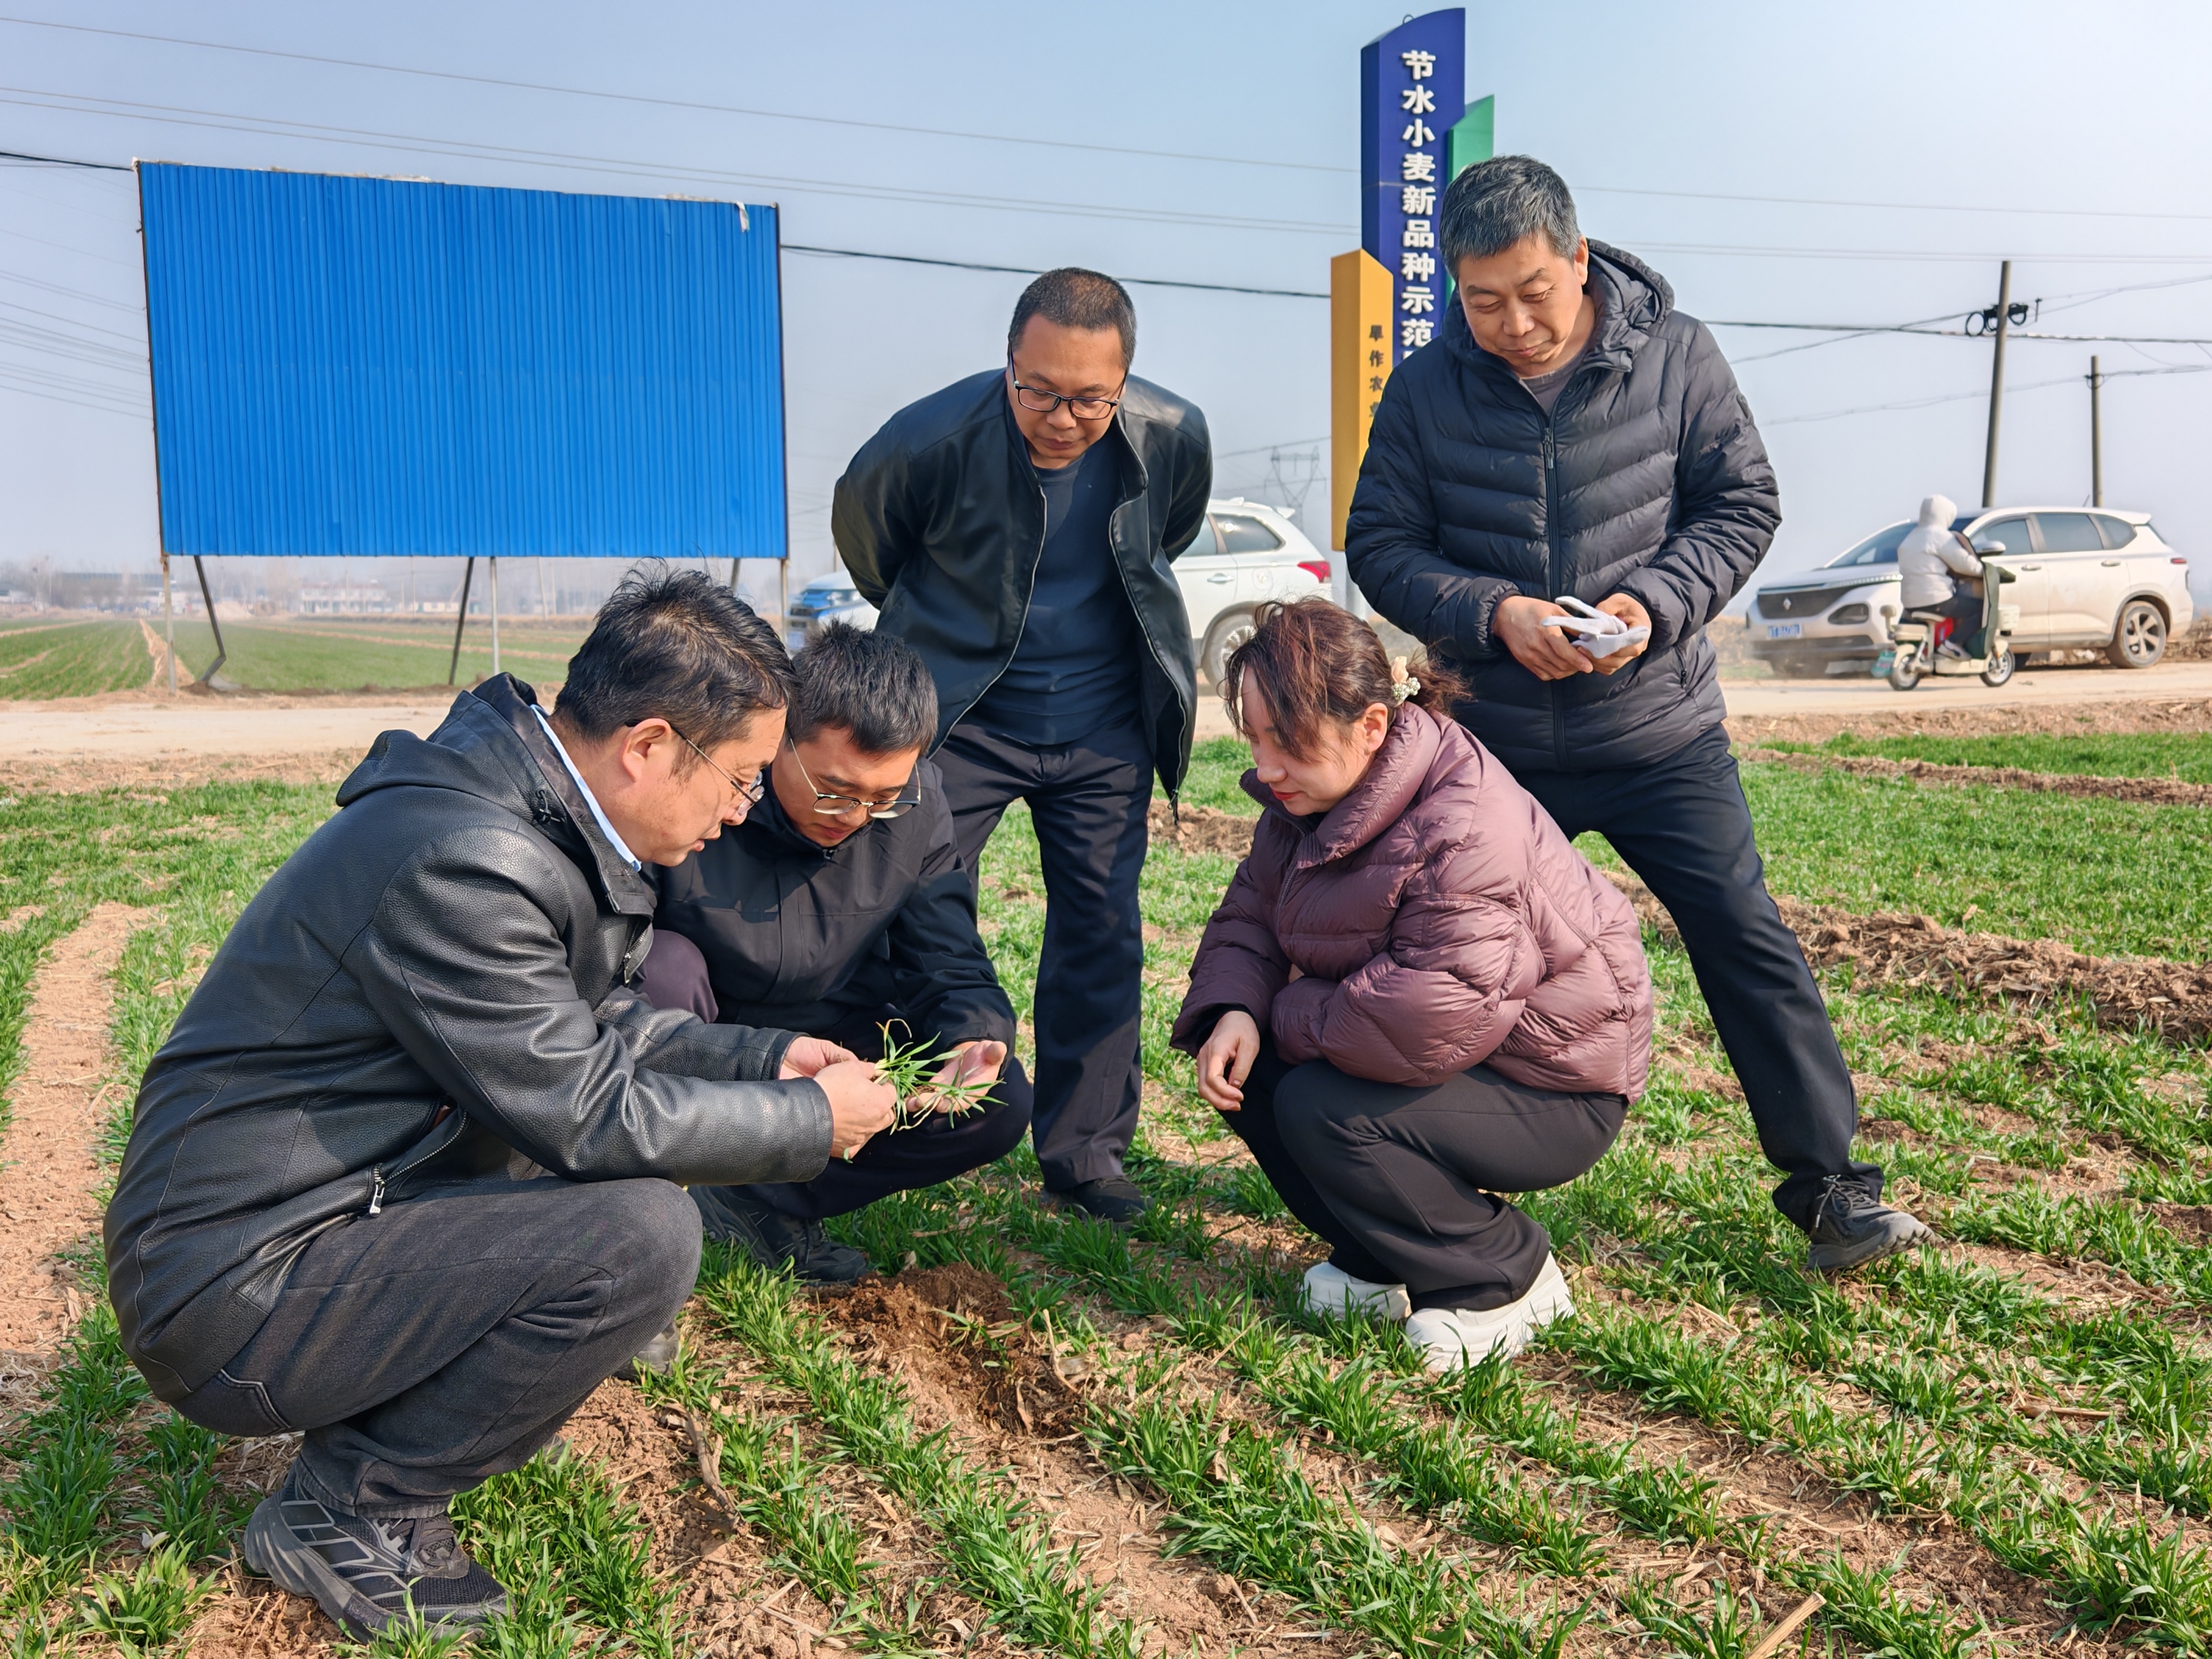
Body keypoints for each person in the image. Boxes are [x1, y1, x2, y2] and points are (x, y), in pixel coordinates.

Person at [104, 571, 896, 1641]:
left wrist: (766, 1061)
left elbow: (592, 1025)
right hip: (230, 1291)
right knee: (641, 1232)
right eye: (740, 776)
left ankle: (412, 1418)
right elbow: (585, 1109)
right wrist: (809, 1123)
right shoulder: (464, 858)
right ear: (649, 745)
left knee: (602, 1193)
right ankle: (352, 1508)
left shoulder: (525, 819)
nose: (741, 808)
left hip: (313, 1222)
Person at [1345, 154, 1932, 1273]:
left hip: (1658, 731)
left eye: (1533, 293)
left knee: (1742, 935)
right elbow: (1379, 542)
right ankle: (1407, 1185)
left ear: (1578, 260)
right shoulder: (1426, 389)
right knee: (1443, 953)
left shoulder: (1677, 355)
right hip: (1497, 744)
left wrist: (1652, 606)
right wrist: (1491, 612)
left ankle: (1830, 1189)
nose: (1513, 325)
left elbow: (1741, 502)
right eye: (1483, 302)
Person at [1171, 599, 1651, 1371]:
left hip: (1554, 1087)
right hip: (1453, 1056)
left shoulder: (1464, 821)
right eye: (1254, 739)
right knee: (1247, 1070)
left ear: (1370, 725)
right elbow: (1249, 913)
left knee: (1321, 1105)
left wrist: (1278, 1007)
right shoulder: (1306, 799)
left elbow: (1429, 1017)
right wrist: (1236, 1007)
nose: (1265, 768)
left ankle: (1501, 1272)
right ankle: (1381, 1257)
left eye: (1287, 742)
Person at [833, 267, 1213, 1225]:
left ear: (1125, 381)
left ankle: (1086, 1154)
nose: (1062, 417)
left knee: (1100, 928)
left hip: (1102, 723)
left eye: (1090, 398)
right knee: (910, 905)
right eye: (1037, 391)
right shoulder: (929, 440)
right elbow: (872, 546)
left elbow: (1166, 536)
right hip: (960, 717)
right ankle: (903, 1110)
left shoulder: (1171, 433)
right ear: (1008, 361)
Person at [638, 622, 1029, 1282]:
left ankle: (756, 1201)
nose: (853, 814)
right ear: (780, 739)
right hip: (707, 1039)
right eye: (833, 789)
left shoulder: (918, 810)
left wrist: (973, 1036)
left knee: (998, 1106)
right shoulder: (709, 792)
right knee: (662, 966)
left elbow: (948, 959)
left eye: (884, 798)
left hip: (833, 1039)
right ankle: (662, 1186)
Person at [1896, 493, 1985, 657]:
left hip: (1909, 604)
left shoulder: (1911, 537)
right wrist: (1984, 571)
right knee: (1982, 609)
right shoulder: (1940, 537)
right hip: (1936, 600)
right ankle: (1953, 644)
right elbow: (1963, 563)